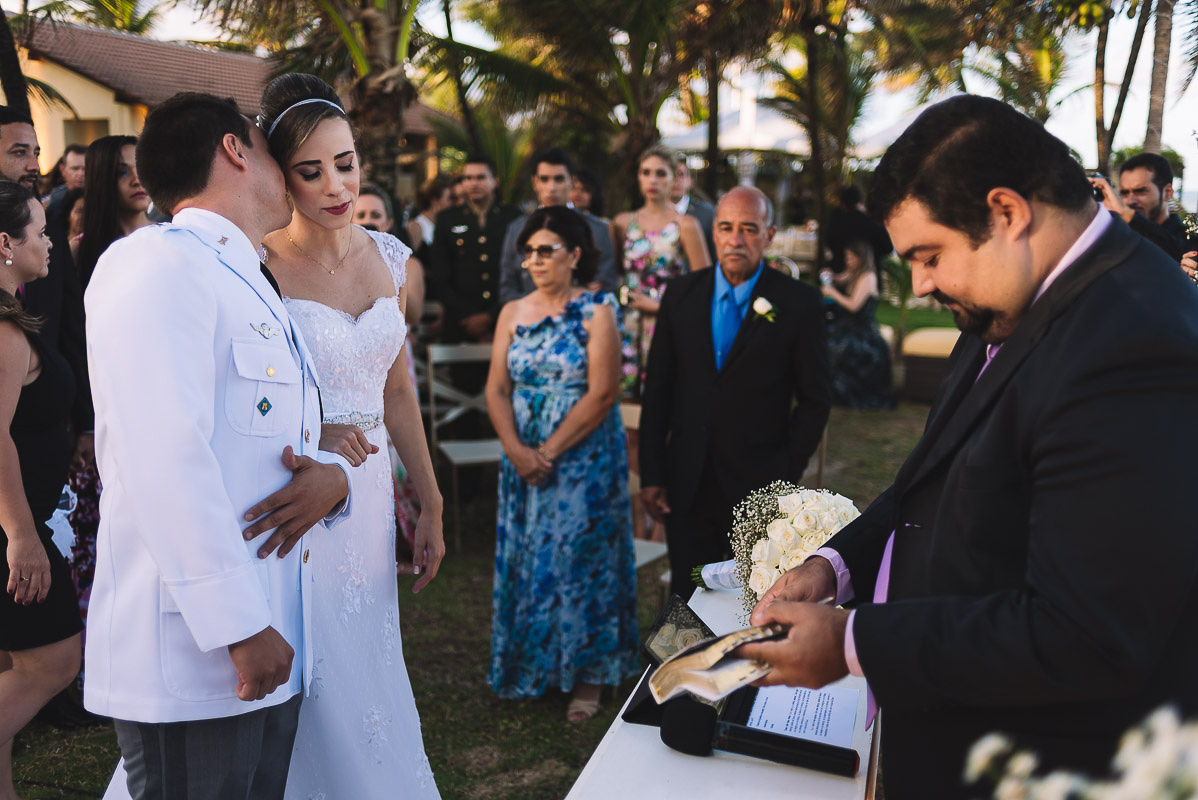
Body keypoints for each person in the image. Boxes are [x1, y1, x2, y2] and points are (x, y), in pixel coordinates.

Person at [739, 95, 1198, 799]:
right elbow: (928, 478)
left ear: (1006, 213)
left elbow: (1084, 632)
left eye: (928, 255)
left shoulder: (1134, 340)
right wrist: (836, 566)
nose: (919, 285)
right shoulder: (1006, 298)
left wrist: (851, 642)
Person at [84, 92, 353, 800]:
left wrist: (333, 477)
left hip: (271, 633)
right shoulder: (157, 264)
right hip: (204, 646)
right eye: (273, 148)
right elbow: (160, 456)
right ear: (237, 150)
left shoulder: (247, 277)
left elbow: (262, 442)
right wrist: (238, 624)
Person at [257, 73, 444, 798]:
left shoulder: (390, 258)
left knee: (368, 651)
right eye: (312, 171)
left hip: (371, 490)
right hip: (298, 480)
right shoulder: (262, 265)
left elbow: (397, 389)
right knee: (311, 652)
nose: (336, 185)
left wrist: (426, 499)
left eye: (347, 164)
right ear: (282, 177)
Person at [485, 205, 639, 722]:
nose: (534, 260)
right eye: (528, 252)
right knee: (529, 554)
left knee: (581, 558)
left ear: (574, 255)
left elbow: (602, 394)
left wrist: (547, 453)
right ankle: (536, 664)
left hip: (583, 455)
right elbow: (496, 388)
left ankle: (590, 675)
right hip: (521, 452)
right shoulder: (512, 312)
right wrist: (514, 448)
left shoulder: (599, 309)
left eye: (545, 250)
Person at [639, 186, 831, 600]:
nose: (735, 239)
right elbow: (658, 389)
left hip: (758, 479)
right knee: (688, 590)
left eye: (749, 229)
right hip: (686, 477)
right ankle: (682, 664)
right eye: (726, 228)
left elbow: (816, 398)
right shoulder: (681, 295)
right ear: (714, 233)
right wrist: (653, 473)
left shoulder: (799, 303)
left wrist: (783, 471)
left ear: (769, 234)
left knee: (750, 594)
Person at [0, 180, 83, 800]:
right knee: (54, 661)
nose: (51, 240)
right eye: (40, 228)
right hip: (13, 529)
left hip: (19, 522)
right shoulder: (3, 332)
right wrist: (24, 536)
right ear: (7, 243)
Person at [612, 145, 710, 399]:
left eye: (660, 173)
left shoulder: (686, 225)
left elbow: (705, 285)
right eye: (646, 172)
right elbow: (613, 275)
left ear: (674, 178)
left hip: (669, 321)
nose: (652, 180)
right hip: (628, 323)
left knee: (664, 398)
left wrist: (659, 307)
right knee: (626, 400)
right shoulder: (622, 223)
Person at [498, 147, 618, 305]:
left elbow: (606, 286)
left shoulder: (597, 229)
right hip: (529, 323)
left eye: (559, 179)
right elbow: (507, 288)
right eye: (544, 179)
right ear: (535, 182)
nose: (551, 188)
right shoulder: (516, 229)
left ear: (572, 181)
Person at [426, 155, 520, 345]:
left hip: (504, 320)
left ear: (495, 181)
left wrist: (490, 317)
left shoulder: (513, 218)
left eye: (481, 177)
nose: (473, 183)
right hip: (460, 323)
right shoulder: (447, 219)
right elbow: (440, 277)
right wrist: (470, 318)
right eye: (467, 178)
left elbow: (518, 274)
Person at [820, 240, 896, 409]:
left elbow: (854, 306)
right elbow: (839, 279)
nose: (848, 261)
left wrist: (832, 293)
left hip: (861, 330)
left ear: (861, 258)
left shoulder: (868, 276)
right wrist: (830, 277)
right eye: (847, 257)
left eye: (851, 257)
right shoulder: (853, 272)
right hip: (846, 325)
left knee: (838, 348)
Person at [75, 136, 152, 293]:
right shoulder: (78, 249)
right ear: (100, 179)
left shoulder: (169, 237)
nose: (136, 180)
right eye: (122, 172)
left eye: (141, 168)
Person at [1090, 152, 1194, 261]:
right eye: (1125, 193)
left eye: (1140, 191)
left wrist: (1127, 214)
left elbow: (1176, 252)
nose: (1130, 201)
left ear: (1167, 193)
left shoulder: (1189, 240)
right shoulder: (1119, 235)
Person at [825, 185, 893, 274]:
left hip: (841, 269)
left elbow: (829, 243)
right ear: (859, 201)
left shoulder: (835, 222)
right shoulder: (871, 222)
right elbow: (887, 246)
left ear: (842, 204)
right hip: (869, 270)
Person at [671, 159, 716, 263]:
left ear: (691, 181)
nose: (676, 180)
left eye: (681, 175)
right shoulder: (651, 214)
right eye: (672, 174)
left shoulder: (707, 214)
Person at [405, 175, 453, 255]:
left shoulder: (443, 224)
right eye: (449, 198)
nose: (451, 203)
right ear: (435, 201)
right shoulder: (416, 226)